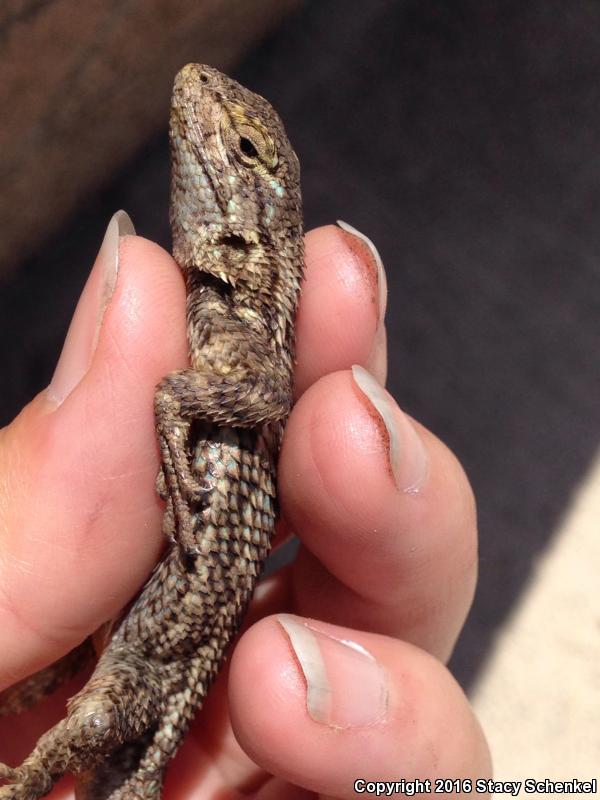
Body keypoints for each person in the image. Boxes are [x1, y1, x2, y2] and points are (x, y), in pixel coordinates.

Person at [0, 212, 491, 797]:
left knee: (100, 723)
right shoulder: (233, 313)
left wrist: (174, 400)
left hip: (161, 659)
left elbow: (259, 396)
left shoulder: (245, 318)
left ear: (253, 233)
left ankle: (29, 780)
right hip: (152, 613)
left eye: (249, 160)